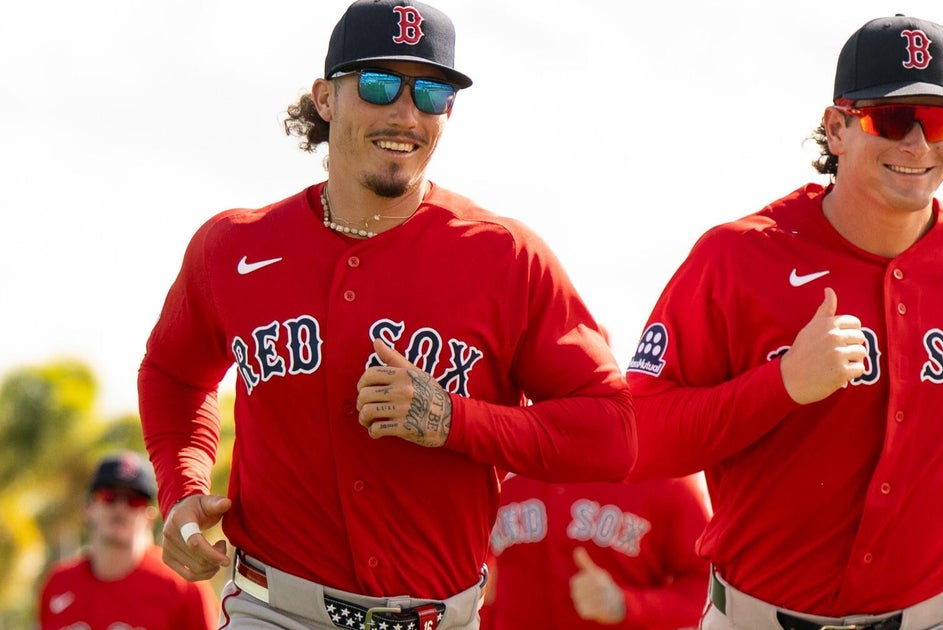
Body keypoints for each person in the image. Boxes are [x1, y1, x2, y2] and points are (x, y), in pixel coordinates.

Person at [137, 1, 635, 628]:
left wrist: (453, 419)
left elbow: (612, 433)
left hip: (440, 616)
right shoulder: (233, 247)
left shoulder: (506, 256)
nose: (405, 113)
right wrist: (182, 489)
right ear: (325, 98)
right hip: (275, 611)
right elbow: (174, 374)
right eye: (378, 85)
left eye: (432, 92)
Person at [624, 14, 943, 630]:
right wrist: (781, 385)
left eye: (937, 120)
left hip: (935, 616)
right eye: (892, 119)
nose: (917, 144)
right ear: (836, 128)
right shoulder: (738, 257)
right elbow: (640, 433)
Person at [482, 473, 711, 630]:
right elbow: (474, 578)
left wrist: (626, 604)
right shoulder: (500, 468)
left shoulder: (663, 474)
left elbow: (706, 591)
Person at [37, 451, 218, 630]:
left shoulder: (183, 584)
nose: (120, 507)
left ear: (150, 517)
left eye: (134, 500)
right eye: (109, 496)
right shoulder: (58, 583)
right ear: (88, 508)